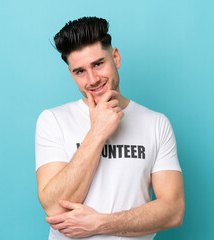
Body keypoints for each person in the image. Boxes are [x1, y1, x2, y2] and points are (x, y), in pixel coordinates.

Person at [35, 16, 185, 240]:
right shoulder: (53, 120)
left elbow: (173, 211)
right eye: (80, 71)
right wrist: (97, 132)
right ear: (71, 74)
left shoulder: (156, 123)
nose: (93, 79)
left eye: (98, 64)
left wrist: (101, 223)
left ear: (115, 57)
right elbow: (55, 209)